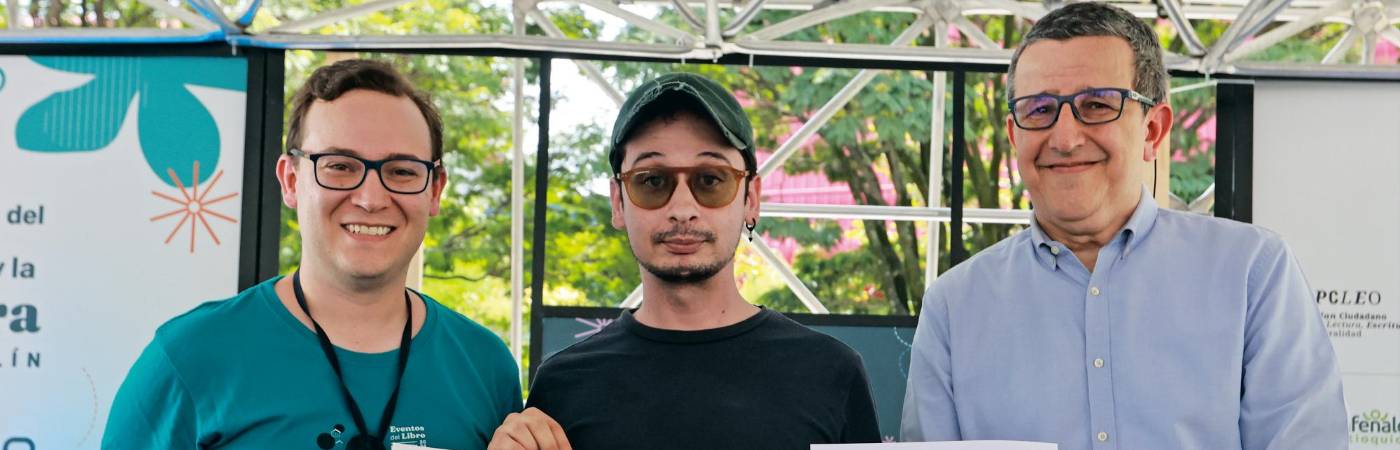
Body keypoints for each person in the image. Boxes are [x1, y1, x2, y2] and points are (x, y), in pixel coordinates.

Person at [900, 3, 1347, 449]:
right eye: (1038, 109)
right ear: (1014, 136)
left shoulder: (1253, 274)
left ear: (1153, 129)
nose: (1065, 138)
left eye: (1096, 105)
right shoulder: (954, 309)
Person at [103, 59, 521, 450]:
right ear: (290, 180)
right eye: (340, 165)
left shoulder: (486, 368)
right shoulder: (189, 358)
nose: (371, 198)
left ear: (434, 190)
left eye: (402, 171)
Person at [487, 73, 882, 450]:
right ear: (617, 201)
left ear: (751, 197)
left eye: (710, 179)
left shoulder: (830, 372)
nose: (682, 208)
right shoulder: (563, 383)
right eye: (652, 180)